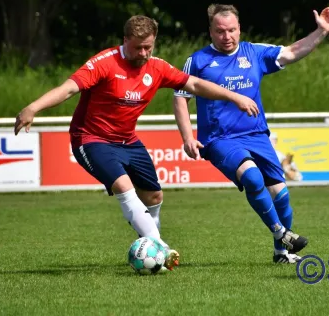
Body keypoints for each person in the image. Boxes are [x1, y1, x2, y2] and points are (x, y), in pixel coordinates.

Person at [14, 15, 260, 271]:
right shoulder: (104, 63)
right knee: (123, 186)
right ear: (125, 41)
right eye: (137, 47)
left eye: (149, 47)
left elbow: (195, 84)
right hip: (91, 139)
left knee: (154, 195)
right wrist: (33, 107)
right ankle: (160, 250)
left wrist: (234, 97)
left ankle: (148, 247)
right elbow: (68, 89)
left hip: (128, 141)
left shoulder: (157, 67)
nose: (143, 53)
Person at [173, 4, 329, 264]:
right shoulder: (198, 60)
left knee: (281, 194)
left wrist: (321, 32)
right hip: (220, 139)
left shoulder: (254, 52)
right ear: (210, 32)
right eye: (220, 31)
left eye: (232, 30)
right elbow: (180, 98)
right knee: (251, 176)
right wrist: (187, 137)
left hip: (257, 135)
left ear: (240, 29)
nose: (227, 36)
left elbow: (292, 52)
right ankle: (281, 233)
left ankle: (282, 253)